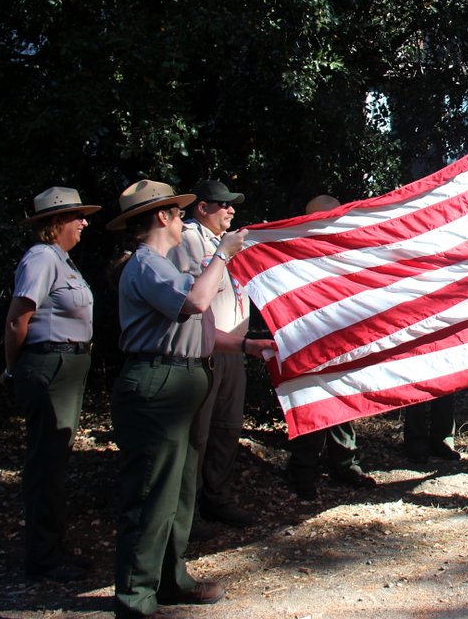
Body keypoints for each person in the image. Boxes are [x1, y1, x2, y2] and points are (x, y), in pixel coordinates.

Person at [106, 180, 273, 619]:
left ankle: (170, 578)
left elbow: (197, 330)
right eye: (178, 214)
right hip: (157, 384)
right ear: (162, 217)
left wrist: (245, 346)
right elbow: (197, 303)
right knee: (151, 493)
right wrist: (223, 255)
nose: (182, 220)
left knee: (178, 492)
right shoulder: (147, 264)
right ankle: (135, 596)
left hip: (178, 381)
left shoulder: (162, 266)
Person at [2, 186, 100, 582]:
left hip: (65, 365)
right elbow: (17, 320)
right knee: (46, 462)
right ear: (56, 222)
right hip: (49, 363)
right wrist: (14, 369)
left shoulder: (61, 260)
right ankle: (43, 557)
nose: (84, 223)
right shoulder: (42, 258)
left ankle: (53, 548)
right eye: (77, 217)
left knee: (56, 459)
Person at [166, 179, 254, 528]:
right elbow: (189, 295)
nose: (231, 209)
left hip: (234, 348)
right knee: (198, 434)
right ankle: (188, 512)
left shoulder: (229, 243)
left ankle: (218, 498)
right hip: (204, 349)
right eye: (223, 204)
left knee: (227, 428)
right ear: (202, 208)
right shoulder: (188, 239)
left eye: (232, 204)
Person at [284, 194, 377, 499]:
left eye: (338, 214)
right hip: (309, 339)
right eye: (329, 215)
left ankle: (345, 463)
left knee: (342, 401)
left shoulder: (347, 246)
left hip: (342, 337)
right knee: (312, 405)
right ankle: (303, 470)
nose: (336, 219)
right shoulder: (295, 249)